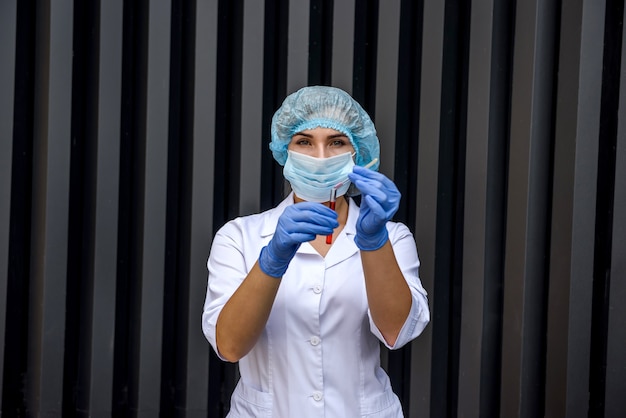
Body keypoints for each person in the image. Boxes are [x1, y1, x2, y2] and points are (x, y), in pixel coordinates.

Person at [202, 86, 430, 417]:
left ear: (357, 153)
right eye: (304, 142)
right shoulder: (239, 236)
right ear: (285, 150)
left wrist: (373, 240)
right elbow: (230, 346)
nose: (321, 157)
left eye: (336, 142)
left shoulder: (392, 237)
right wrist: (273, 258)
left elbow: (396, 333)